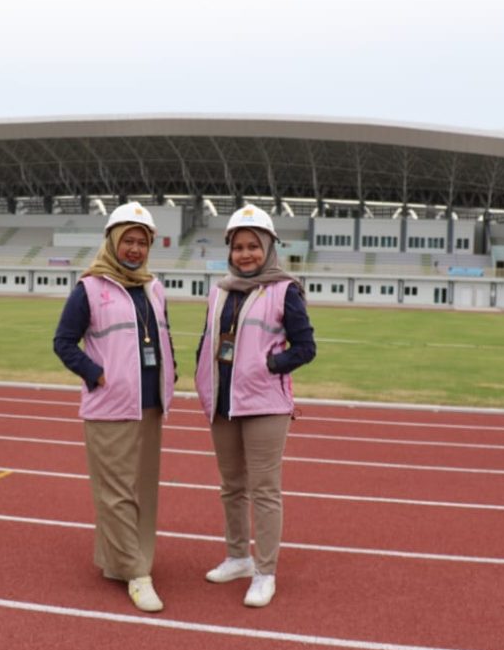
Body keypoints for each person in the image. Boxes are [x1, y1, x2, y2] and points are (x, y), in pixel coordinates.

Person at [53, 201, 175, 613]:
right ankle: (137, 574)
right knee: (117, 493)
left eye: (142, 242)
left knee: (142, 491)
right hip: (110, 405)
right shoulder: (90, 288)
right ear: (112, 242)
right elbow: (64, 342)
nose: (135, 249)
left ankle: (117, 562)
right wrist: (95, 374)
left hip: (151, 403)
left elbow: (162, 340)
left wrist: (169, 380)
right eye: (128, 241)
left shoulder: (153, 287)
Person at [194, 204, 316, 608]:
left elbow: (306, 348)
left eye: (253, 246)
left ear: (268, 248)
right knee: (231, 487)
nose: (246, 254)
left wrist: (270, 364)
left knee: (264, 490)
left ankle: (265, 571)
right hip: (223, 403)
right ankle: (237, 557)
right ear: (229, 250)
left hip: (264, 403)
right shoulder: (220, 290)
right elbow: (209, 340)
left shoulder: (285, 289)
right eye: (239, 247)